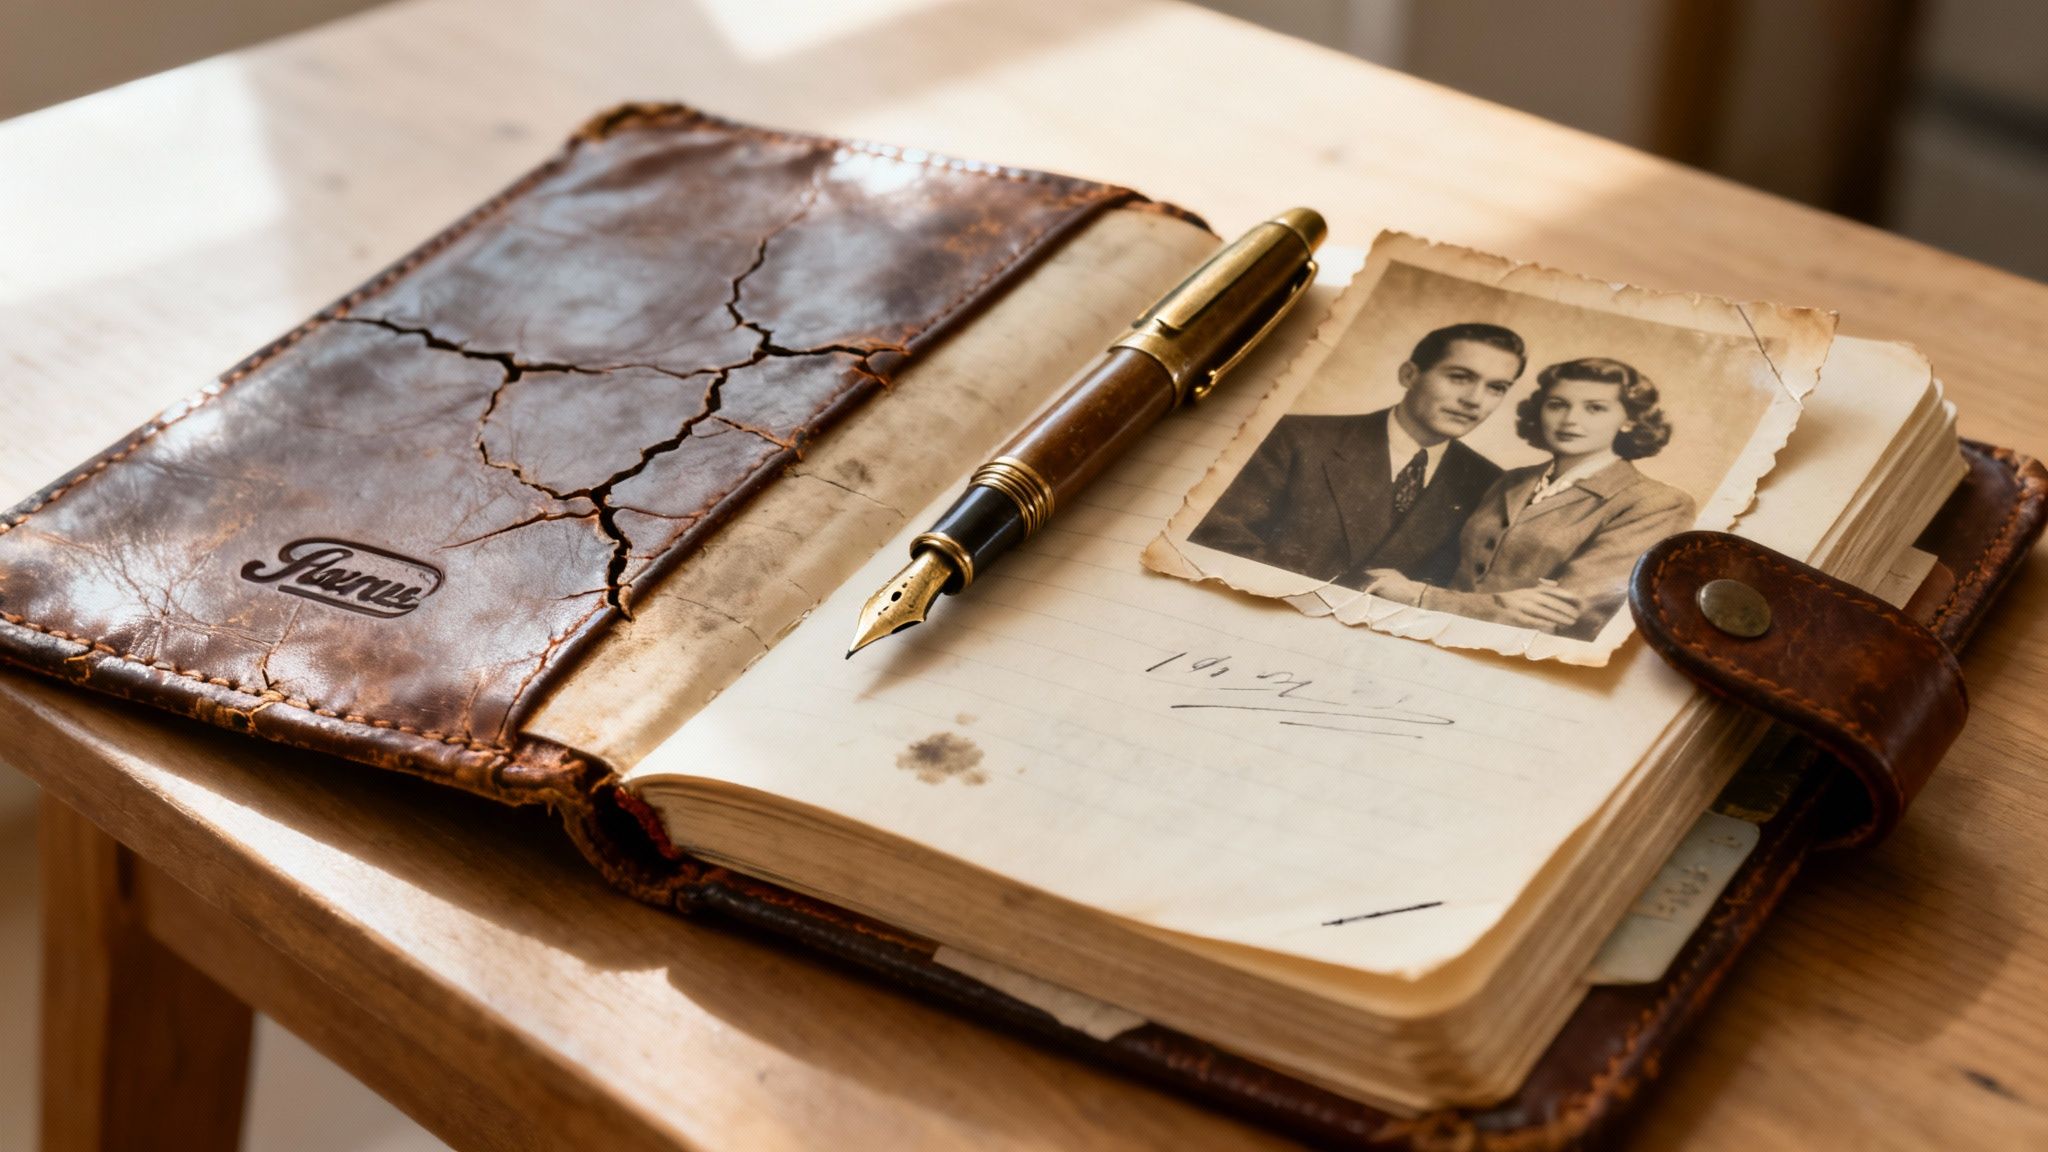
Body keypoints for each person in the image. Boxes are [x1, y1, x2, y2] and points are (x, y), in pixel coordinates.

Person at [1363, 356, 1695, 640]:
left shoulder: (1655, 503)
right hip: (1432, 634)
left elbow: (1563, 612)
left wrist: (1421, 596)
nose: (1570, 420)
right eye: (1557, 404)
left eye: (1595, 408)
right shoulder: (1513, 480)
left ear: (1629, 421)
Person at [1188, 322, 1524, 587]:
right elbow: (1217, 539)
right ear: (1409, 375)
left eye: (1496, 388)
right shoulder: (1297, 438)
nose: (1475, 400)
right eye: (1460, 377)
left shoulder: (1491, 485)